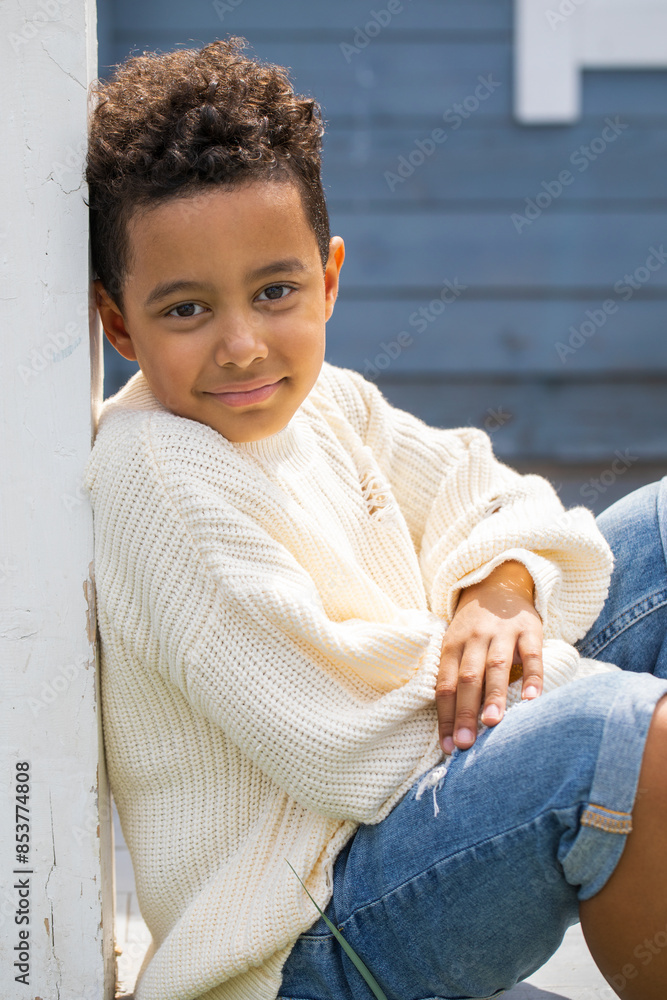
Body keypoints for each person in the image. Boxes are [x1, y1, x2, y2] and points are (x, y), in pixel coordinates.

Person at [82, 36, 667, 1000]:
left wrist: (503, 590)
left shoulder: (327, 402)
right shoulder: (155, 473)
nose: (241, 345)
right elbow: (342, 743)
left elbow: (496, 497)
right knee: (615, 736)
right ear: (118, 324)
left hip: (405, 816)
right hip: (302, 937)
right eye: (186, 310)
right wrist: (562, 678)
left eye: (276, 292)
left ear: (331, 276)